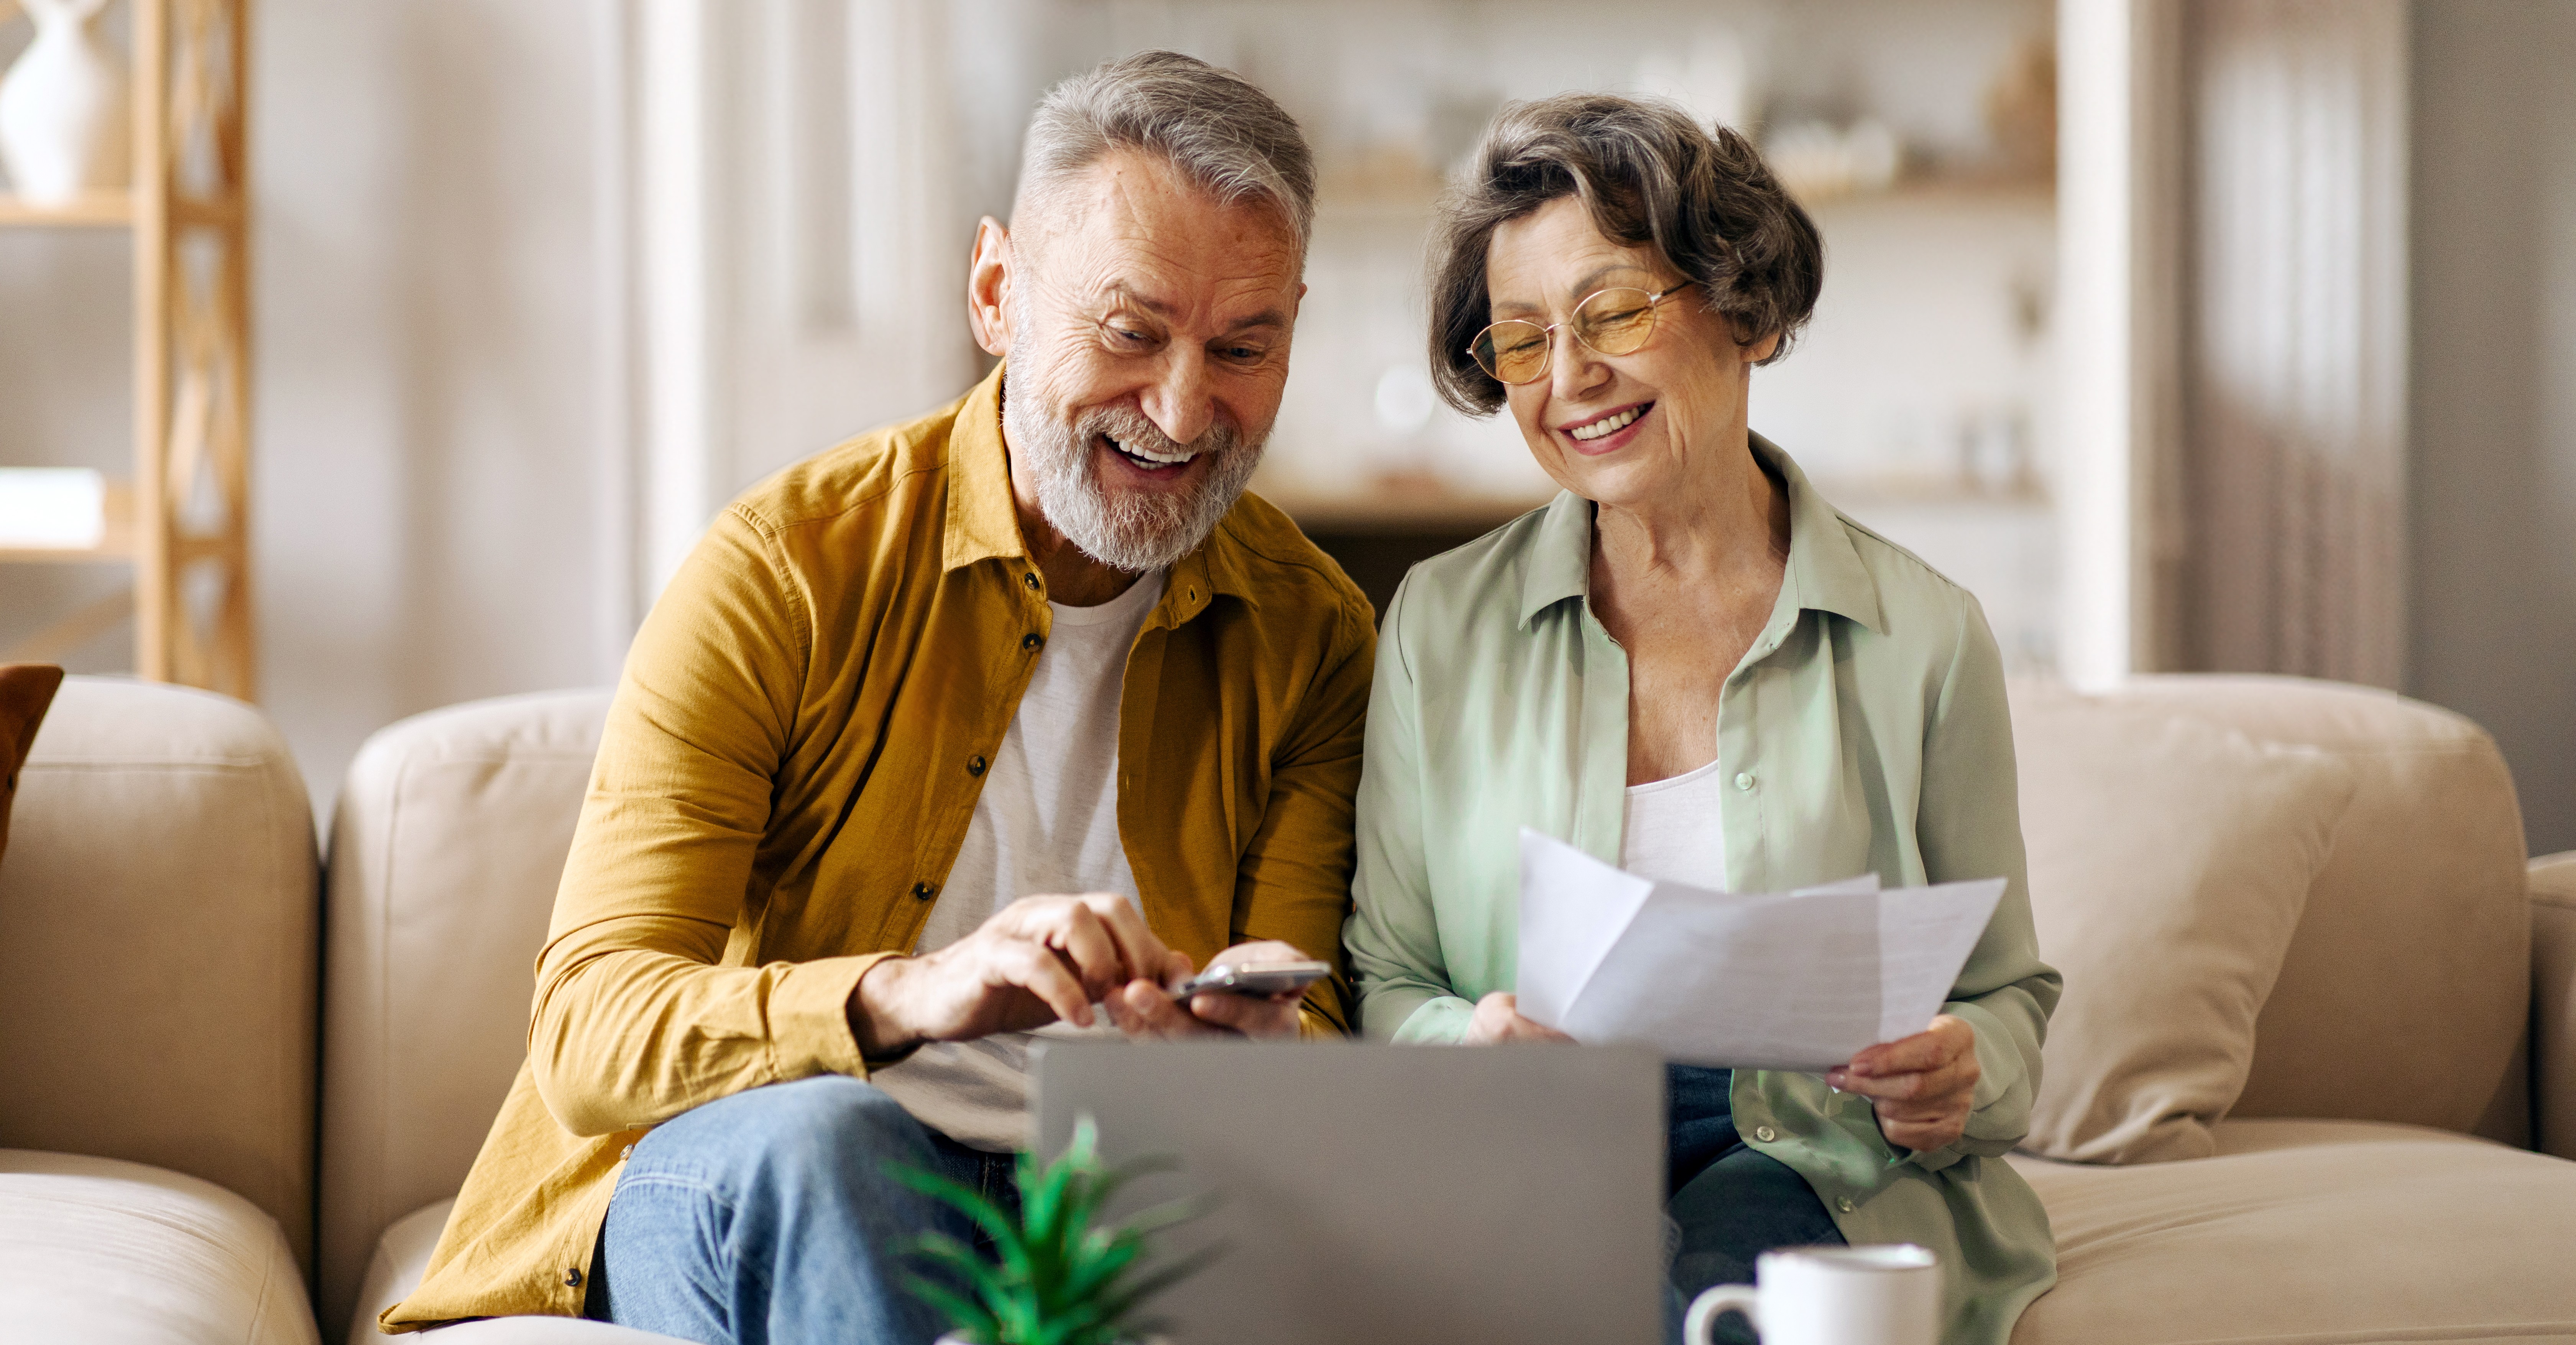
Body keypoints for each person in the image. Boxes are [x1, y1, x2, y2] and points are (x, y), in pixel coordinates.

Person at [383, 51, 1376, 1343]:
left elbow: (1310, 1023)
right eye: (1132, 333)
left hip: (1098, 1200)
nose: (1185, 411)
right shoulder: (787, 568)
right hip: (776, 1167)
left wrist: (1251, 1054)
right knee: (835, 1146)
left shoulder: (1314, 633)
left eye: (1243, 347)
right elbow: (591, 1025)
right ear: (998, 293)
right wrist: (909, 994)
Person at [1343, 94, 2060, 1345]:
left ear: (1747, 312)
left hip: (1811, 1154)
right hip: (1538, 1147)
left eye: (1614, 312)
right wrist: (1470, 1040)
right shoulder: (1436, 628)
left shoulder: (1926, 634)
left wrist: (1964, 1066)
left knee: (1694, 1305)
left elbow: (2004, 995)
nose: (1571, 378)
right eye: (1522, 340)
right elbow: (1388, 976)